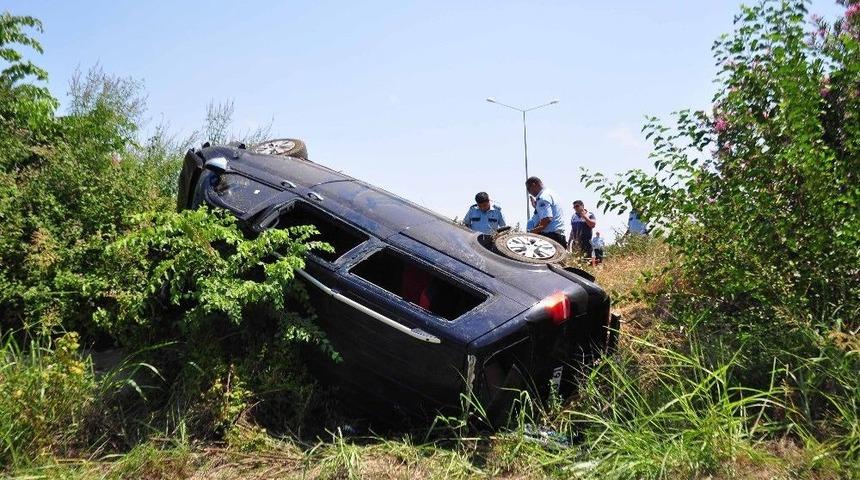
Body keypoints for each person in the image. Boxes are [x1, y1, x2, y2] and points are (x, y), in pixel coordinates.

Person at [525, 177, 566, 245]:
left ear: (533, 185)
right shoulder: (550, 193)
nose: (529, 192)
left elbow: (547, 219)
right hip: (558, 235)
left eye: (528, 189)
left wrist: (531, 233)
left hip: (550, 237)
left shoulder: (542, 198)